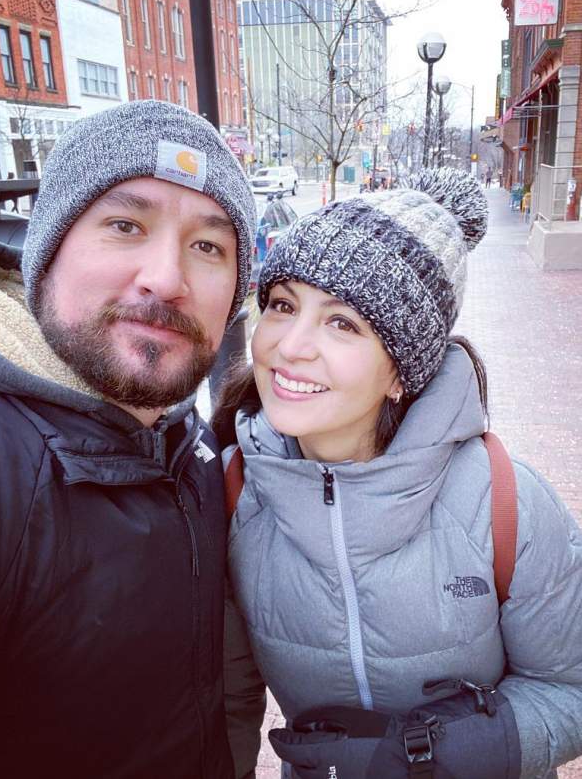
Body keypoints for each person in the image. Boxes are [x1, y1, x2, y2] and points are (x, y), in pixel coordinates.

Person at [216, 168, 582, 778]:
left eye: (343, 323)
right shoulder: (232, 496)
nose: (290, 345)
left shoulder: (502, 502)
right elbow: (229, 702)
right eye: (282, 305)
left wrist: (458, 752)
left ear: (400, 373)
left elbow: (572, 686)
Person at [0, 99, 256, 778]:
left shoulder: (181, 437)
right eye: (124, 224)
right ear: (48, 253)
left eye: (207, 246)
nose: (167, 279)